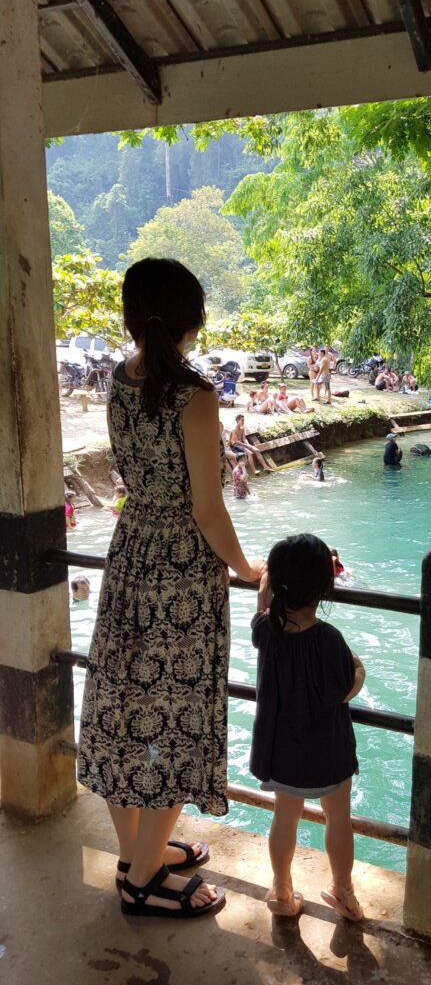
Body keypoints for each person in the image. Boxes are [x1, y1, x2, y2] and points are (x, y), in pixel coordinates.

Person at [77, 257, 264, 920]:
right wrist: (248, 569)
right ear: (192, 318)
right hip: (182, 568)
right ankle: (142, 880)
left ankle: (139, 852)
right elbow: (207, 511)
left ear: (133, 316)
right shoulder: (196, 396)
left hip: (130, 554)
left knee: (123, 702)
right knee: (179, 711)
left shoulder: (117, 381)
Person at [250, 533, 366, 920]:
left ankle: (281, 890)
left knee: (285, 818)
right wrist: (359, 670)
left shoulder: (265, 631)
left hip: (281, 749)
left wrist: (264, 588)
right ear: (324, 588)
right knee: (338, 818)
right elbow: (343, 691)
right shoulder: (329, 640)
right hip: (328, 750)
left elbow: (262, 610)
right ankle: (343, 890)